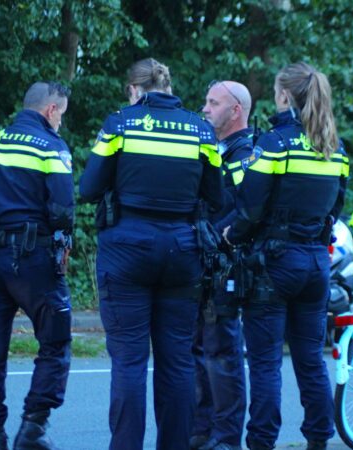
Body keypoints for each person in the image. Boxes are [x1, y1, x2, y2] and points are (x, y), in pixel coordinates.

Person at [79, 58, 224, 450]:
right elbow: (218, 195)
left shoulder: (119, 123)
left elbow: (89, 188)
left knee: (128, 362)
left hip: (126, 248)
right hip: (182, 249)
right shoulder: (201, 129)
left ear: (134, 90)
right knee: (176, 362)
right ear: (169, 87)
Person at [224, 62, 349, 450]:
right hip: (316, 263)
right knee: (311, 360)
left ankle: (261, 443)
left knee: (265, 364)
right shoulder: (335, 148)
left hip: (274, 266)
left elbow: (250, 206)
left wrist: (230, 234)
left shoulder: (274, 143)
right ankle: (318, 441)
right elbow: (336, 209)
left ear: (283, 96)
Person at [0, 81, 74, 450]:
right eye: (62, 116)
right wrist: (60, 247)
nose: (61, 124)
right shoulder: (52, 147)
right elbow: (61, 211)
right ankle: (33, 426)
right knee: (55, 342)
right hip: (33, 259)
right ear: (51, 111)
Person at [191, 80, 253, 450]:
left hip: (227, 268)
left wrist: (213, 236)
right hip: (200, 265)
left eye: (213, 102)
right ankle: (201, 431)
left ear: (236, 111)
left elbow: (244, 210)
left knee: (222, 354)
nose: (205, 108)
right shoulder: (212, 149)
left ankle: (227, 438)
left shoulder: (247, 154)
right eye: (206, 100)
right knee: (198, 351)